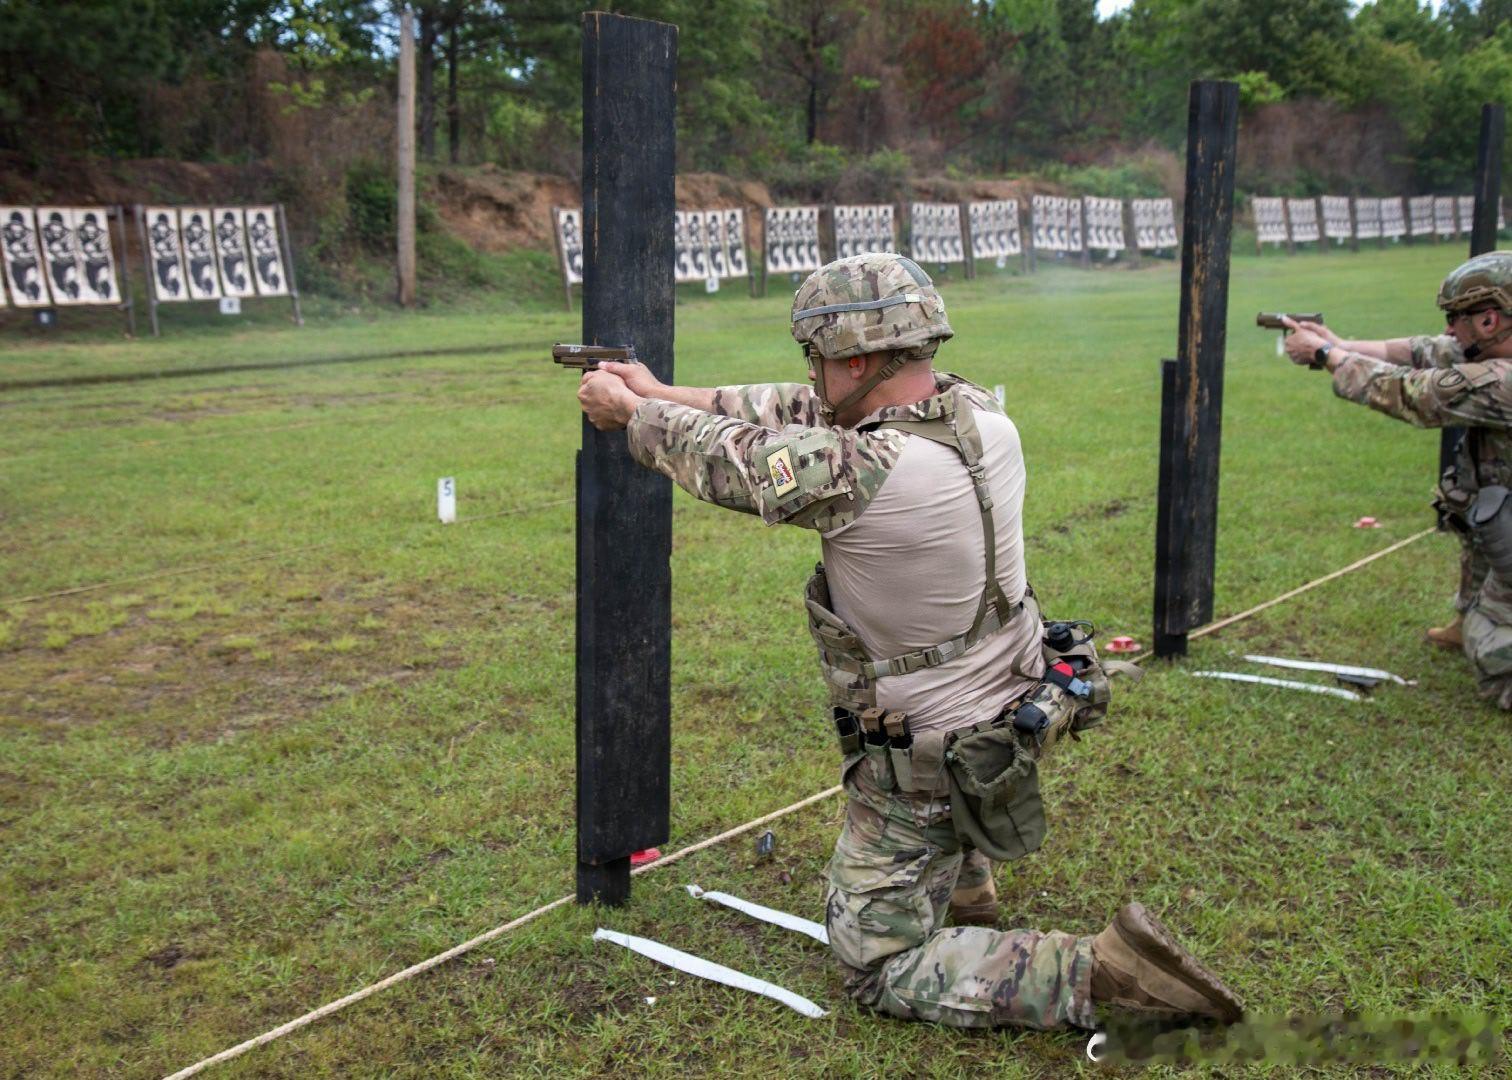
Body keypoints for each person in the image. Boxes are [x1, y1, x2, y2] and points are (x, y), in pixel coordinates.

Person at [575, 252, 1242, 1031]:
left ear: (858, 361)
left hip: (930, 751)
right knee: (951, 696)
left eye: (822, 359)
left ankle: (1100, 977)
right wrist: (657, 388)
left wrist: (633, 414)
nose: (814, 376)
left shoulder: (863, 469)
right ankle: (965, 883)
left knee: (877, 968)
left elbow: (732, 456)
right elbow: (792, 409)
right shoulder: (975, 410)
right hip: (1019, 698)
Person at [1283, 251, 1512, 708]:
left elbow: (1413, 393)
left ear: (1488, 321)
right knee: (1477, 513)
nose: (1449, 328)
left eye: (1455, 317)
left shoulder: (1501, 380)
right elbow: (1425, 350)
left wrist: (1326, 354)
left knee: (1490, 648)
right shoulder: (1495, 344)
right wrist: (1344, 343)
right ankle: (1472, 615)